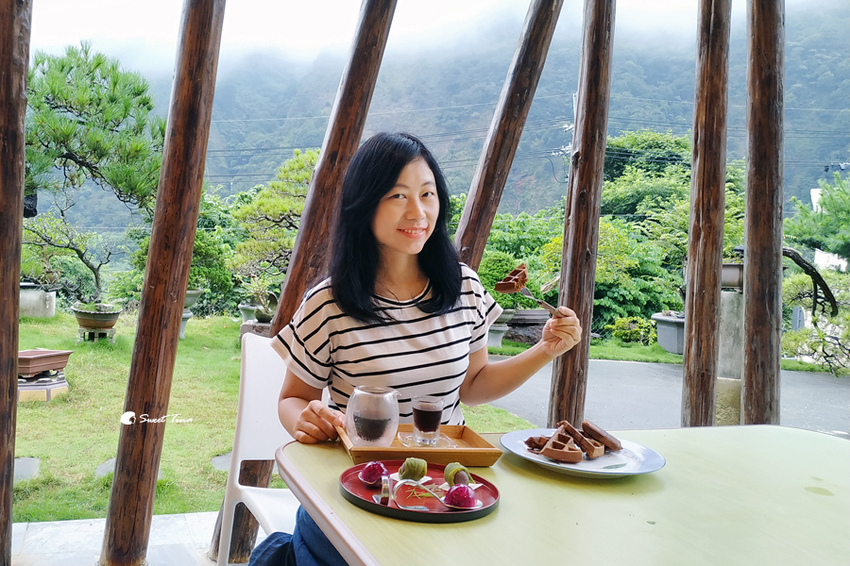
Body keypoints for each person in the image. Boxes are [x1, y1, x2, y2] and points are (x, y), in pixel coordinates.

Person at [249, 132, 582, 565]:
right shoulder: (329, 302)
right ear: (364, 204)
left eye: (427, 194)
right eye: (397, 196)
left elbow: (474, 386)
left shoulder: (463, 287)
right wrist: (307, 420)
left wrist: (546, 350)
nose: (417, 212)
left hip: (449, 491)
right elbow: (293, 399)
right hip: (359, 485)